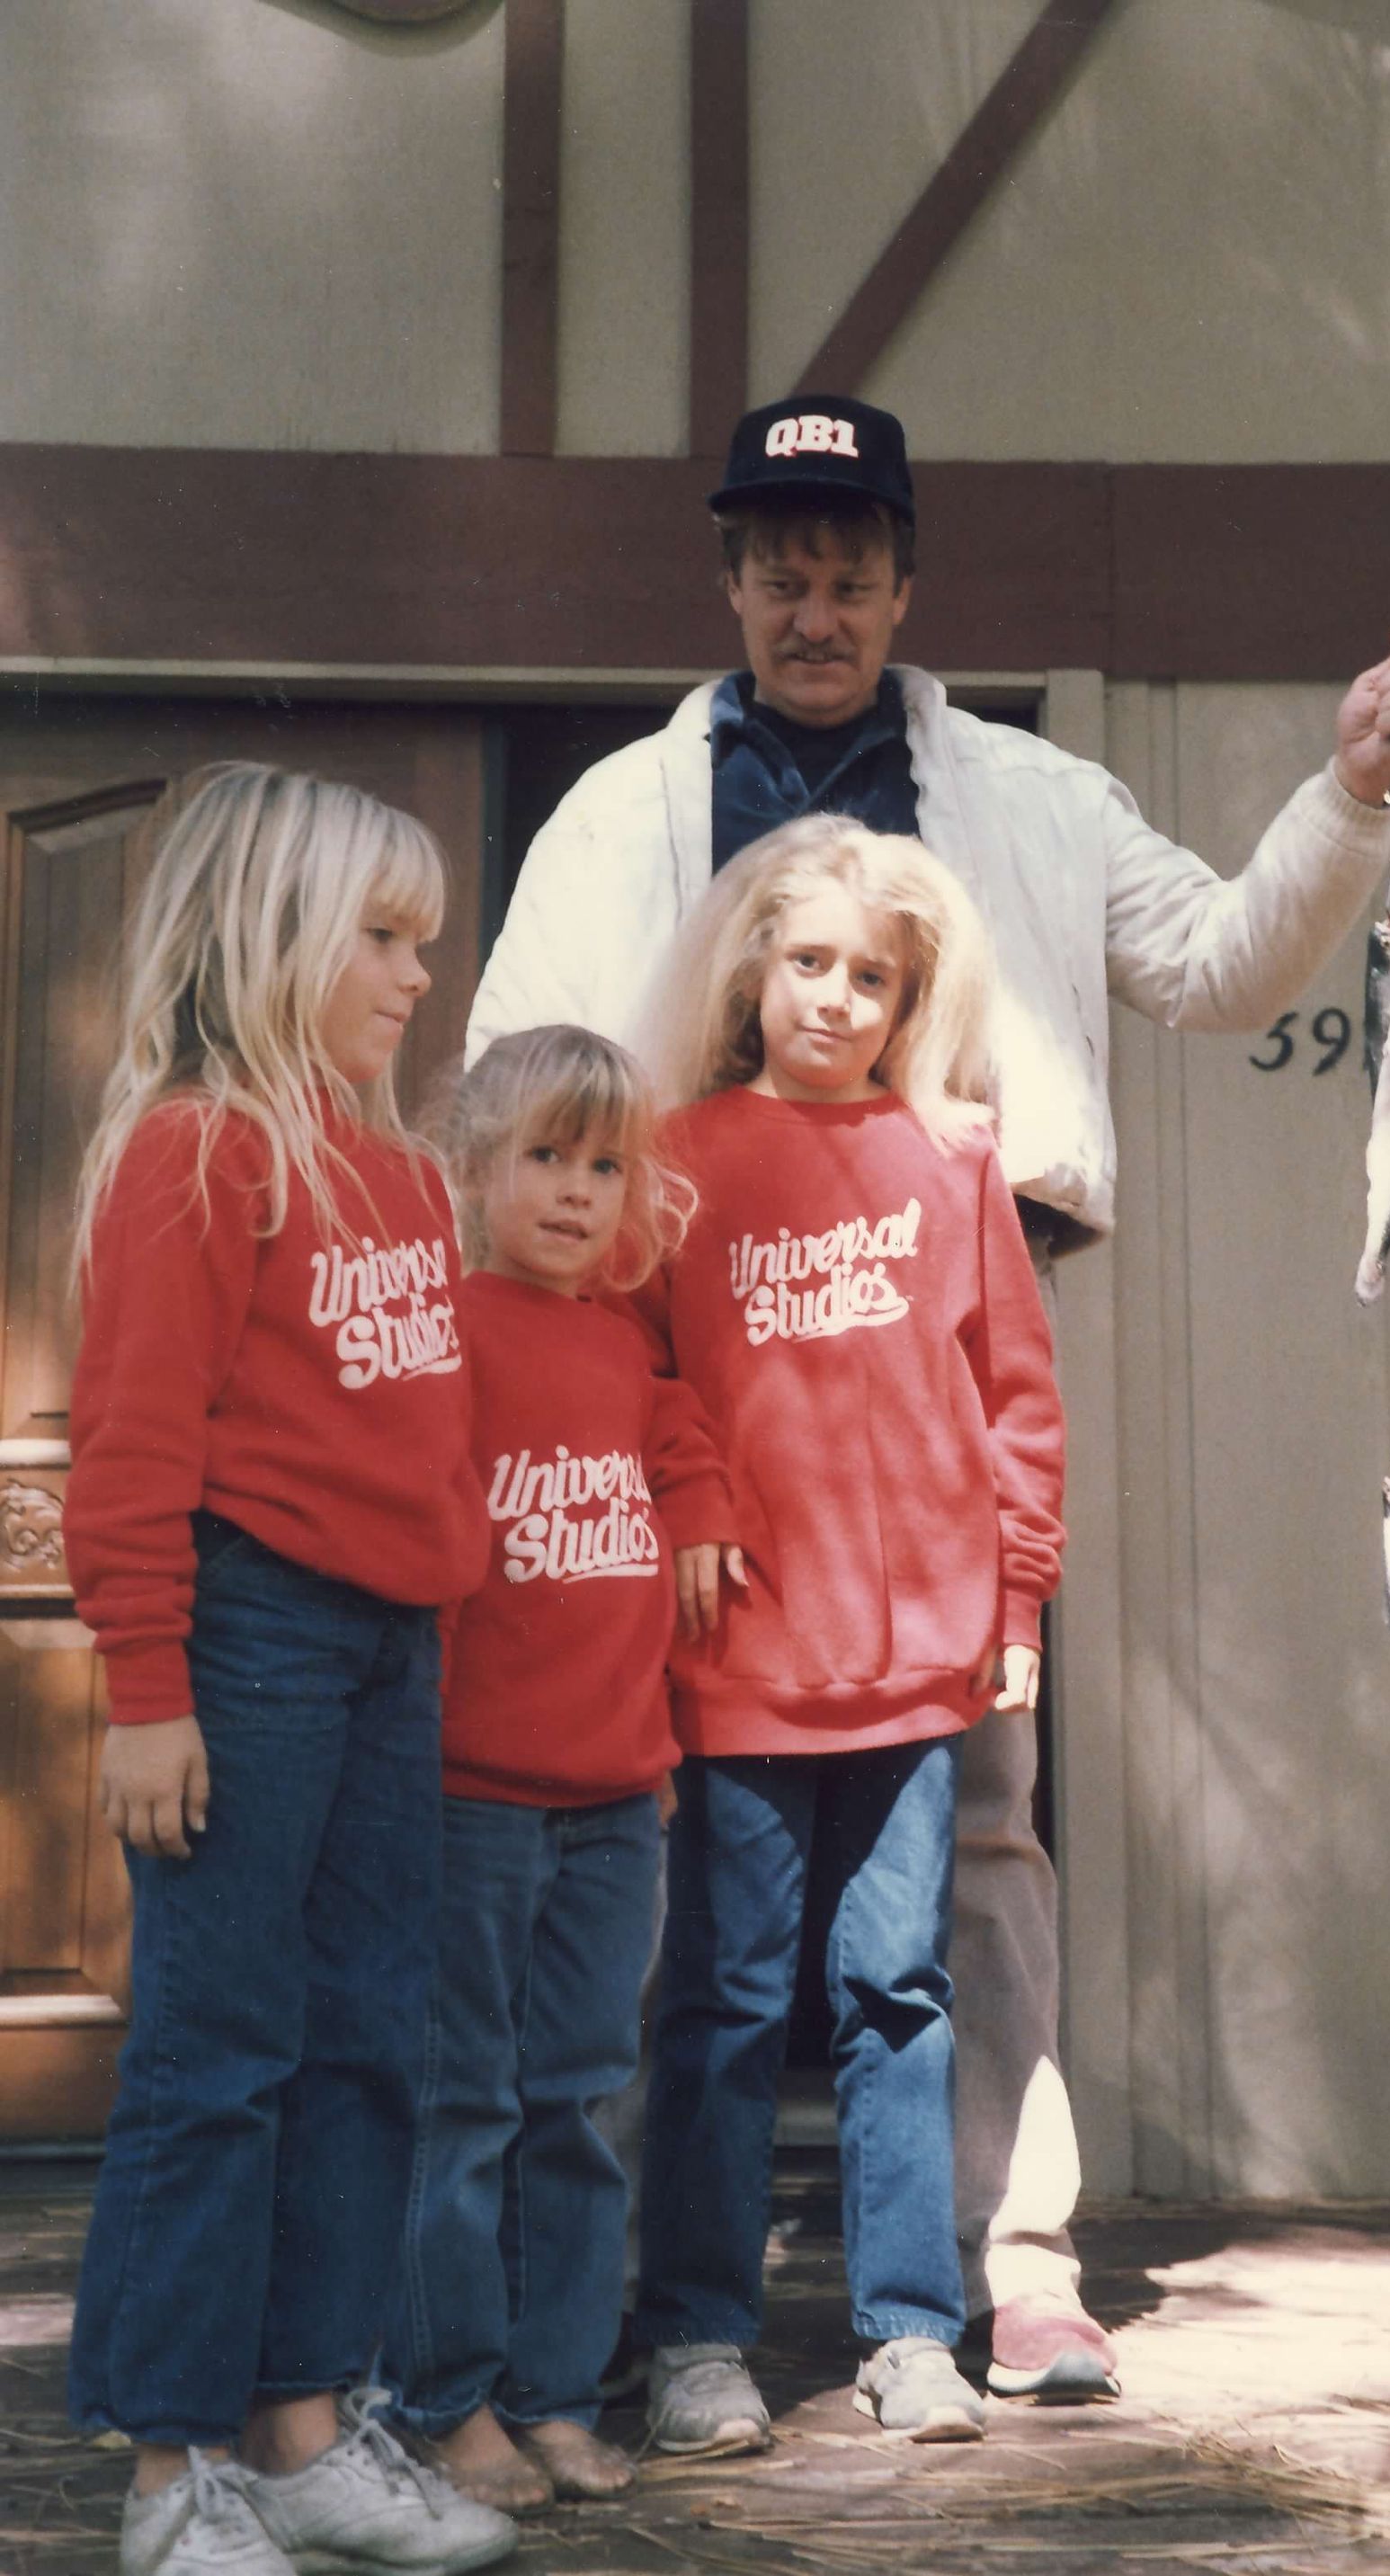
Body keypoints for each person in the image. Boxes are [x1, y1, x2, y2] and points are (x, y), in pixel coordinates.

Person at [466, 394, 1390, 2398]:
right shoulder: (624, 811)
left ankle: (1007, 2255)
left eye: (850, 572)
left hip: (931, 1346)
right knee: (660, 1832)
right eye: (780, 570)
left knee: (975, 1829)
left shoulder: (1027, 790)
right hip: (693, 1364)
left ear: (904, 586)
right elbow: (514, 1068)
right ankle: (644, 2289)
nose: (814, 607)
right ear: (732, 581)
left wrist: (1349, 792)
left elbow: (1221, 956)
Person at [62, 765, 515, 2576]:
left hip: (388, 1654)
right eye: (382, 938)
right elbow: (131, 1443)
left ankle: (303, 2430)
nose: (418, 974)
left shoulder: (396, 1169)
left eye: (423, 939)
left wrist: (438, 1623)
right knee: (221, 2047)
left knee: (366, 2039)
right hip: (244, 1638)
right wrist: (146, 1685)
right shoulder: (197, 1152)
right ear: (270, 936)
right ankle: (170, 2473)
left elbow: (422, 1447)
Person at [631, 817, 1065, 2452]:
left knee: (899, 1990)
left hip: (916, 1659)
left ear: (908, 999)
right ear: (753, 970)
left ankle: (909, 2328)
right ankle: (695, 2335)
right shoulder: (674, 1154)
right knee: (726, 1999)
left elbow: (1019, 1399)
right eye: (808, 962)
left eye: (870, 976)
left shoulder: (952, 1156)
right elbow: (629, 1376)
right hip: (741, 1654)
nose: (835, 997)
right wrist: (688, 1498)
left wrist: (1016, 1595)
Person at [383, 1026, 735, 2512]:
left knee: (580, 2104)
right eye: (546, 1158)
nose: (579, 1191)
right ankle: (444, 2397)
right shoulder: (450, 1332)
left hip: (616, 1799)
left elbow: (680, 1436)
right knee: (462, 2105)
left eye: (605, 1165)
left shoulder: (617, 1345)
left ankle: (554, 2389)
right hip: (471, 1797)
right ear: (474, 1170)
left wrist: (700, 1507)